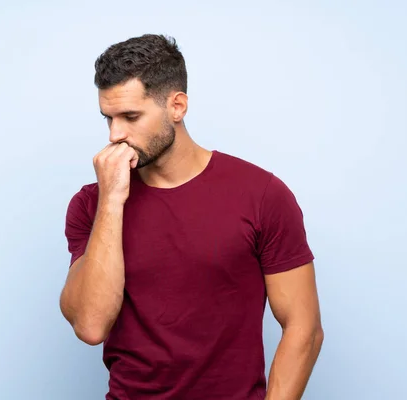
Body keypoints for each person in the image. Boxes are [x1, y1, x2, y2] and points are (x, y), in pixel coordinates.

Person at [60, 34, 324, 400]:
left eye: (131, 117)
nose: (115, 135)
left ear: (177, 106)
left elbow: (304, 327)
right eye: (109, 118)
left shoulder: (261, 194)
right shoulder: (93, 204)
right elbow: (90, 325)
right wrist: (112, 201)